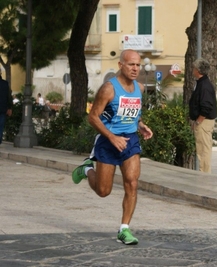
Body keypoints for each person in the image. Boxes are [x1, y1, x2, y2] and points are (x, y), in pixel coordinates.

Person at [71, 49, 153, 245]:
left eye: (137, 65)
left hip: (130, 141)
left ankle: (124, 229)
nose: (135, 68)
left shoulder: (139, 88)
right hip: (108, 142)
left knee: (132, 183)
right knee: (103, 191)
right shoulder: (109, 89)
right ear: (121, 65)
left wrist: (141, 126)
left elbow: (135, 114)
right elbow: (93, 117)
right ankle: (87, 169)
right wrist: (111, 136)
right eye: (131, 64)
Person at [189, 58, 217, 173]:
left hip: (204, 122)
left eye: (194, 68)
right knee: (202, 149)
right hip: (202, 121)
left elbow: (206, 106)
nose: (192, 70)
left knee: (204, 150)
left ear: (198, 70)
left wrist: (198, 121)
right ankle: (203, 172)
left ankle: (204, 175)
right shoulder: (202, 83)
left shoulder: (204, 85)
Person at [0, 70, 12, 145]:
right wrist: (9, 108)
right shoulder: (5, 83)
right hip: (2, 109)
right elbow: (9, 97)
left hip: (3, 109)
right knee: (0, 127)